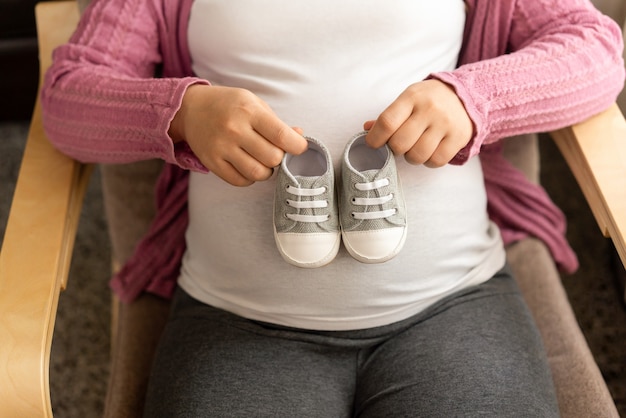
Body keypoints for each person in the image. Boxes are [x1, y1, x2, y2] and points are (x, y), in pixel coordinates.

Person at [41, 0, 624, 416]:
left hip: (454, 305)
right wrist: (181, 113)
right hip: (236, 321)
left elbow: (594, 47)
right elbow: (68, 97)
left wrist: (473, 99)